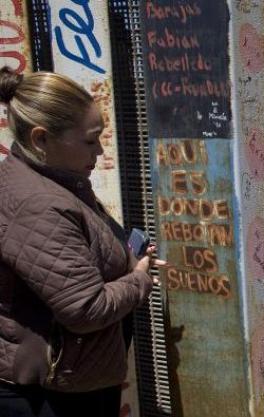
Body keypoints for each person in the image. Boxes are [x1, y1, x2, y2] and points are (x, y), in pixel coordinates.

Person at [0, 68, 164, 416]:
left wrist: (129, 257)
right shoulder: (40, 204)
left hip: (68, 379)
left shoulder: (52, 180)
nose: (101, 150)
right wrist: (139, 279)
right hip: (54, 393)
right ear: (41, 139)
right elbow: (85, 309)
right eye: (91, 140)